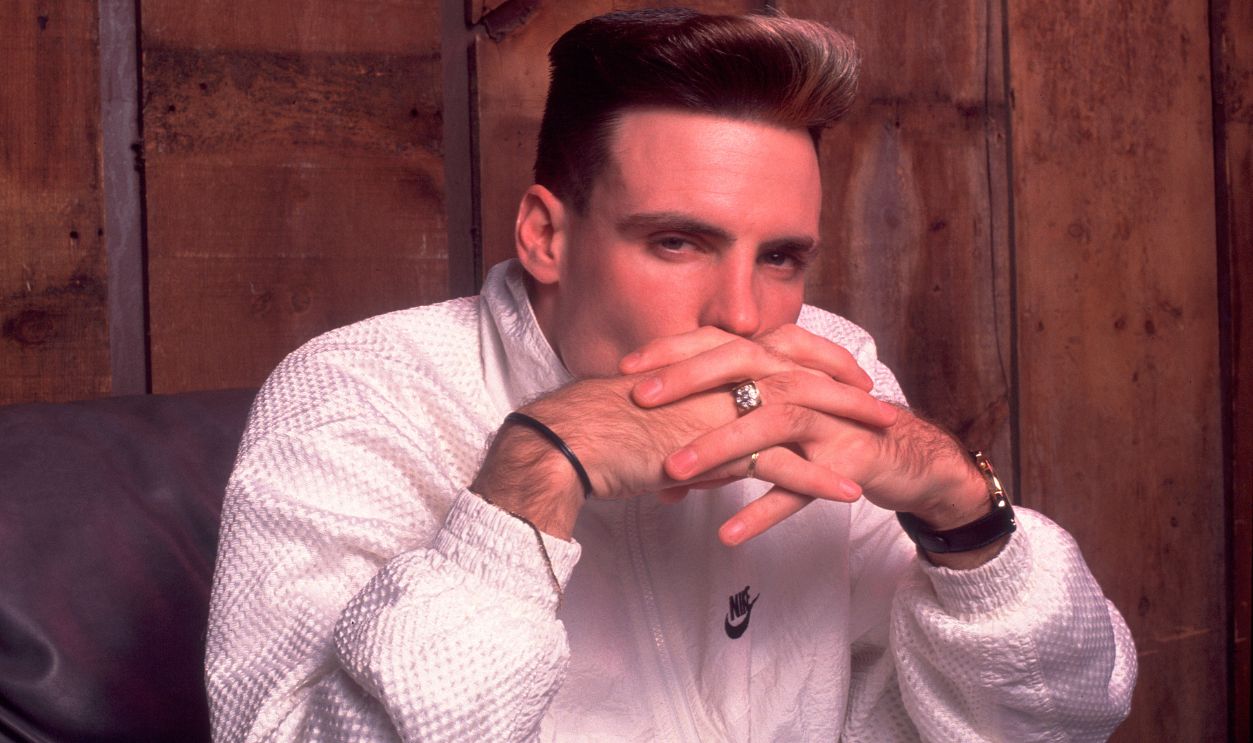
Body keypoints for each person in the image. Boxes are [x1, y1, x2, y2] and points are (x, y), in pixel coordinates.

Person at [206, 8, 1136, 741]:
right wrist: (527, 485)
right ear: (546, 235)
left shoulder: (825, 362)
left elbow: (1061, 720)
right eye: (677, 242)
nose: (743, 314)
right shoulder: (360, 389)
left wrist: (963, 514)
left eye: (780, 257)